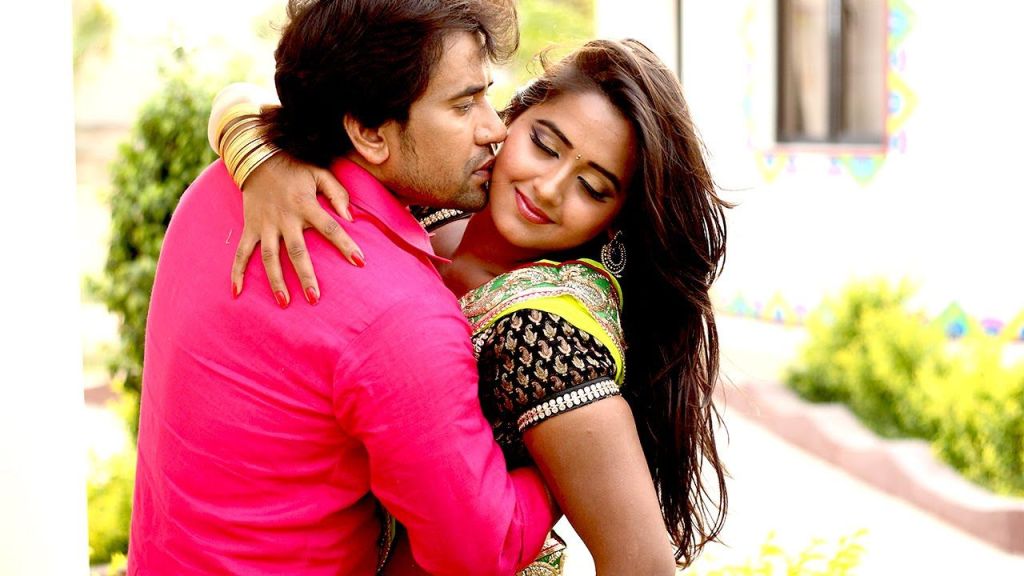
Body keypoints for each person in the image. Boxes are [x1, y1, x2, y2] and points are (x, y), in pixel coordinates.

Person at [214, 38, 731, 574]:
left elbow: (644, 563)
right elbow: (249, 100)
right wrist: (263, 163)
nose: (549, 188)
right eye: (545, 145)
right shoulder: (436, 204)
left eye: (592, 188)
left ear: (614, 221)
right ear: (510, 118)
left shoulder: (545, 331)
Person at [128, 1, 560, 575]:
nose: (494, 128)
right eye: (463, 105)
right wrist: (560, 471)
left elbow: (245, 108)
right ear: (369, 132)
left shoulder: (218, 189)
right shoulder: (399, 315)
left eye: (487, 95)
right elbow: (481, 548)